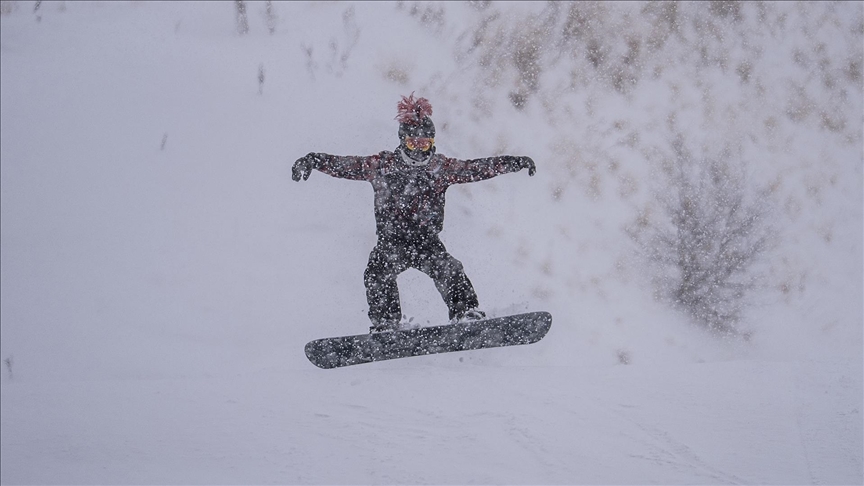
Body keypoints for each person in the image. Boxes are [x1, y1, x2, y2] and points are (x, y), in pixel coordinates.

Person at [292, 93, 535, 333]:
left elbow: (477, 168)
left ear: (432, 143)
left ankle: (466, 314)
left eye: (424, 144)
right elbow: (347, 165)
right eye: (412, 143)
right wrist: (313, 160)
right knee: (376, 272)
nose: (419, 150)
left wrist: (513, 163)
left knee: (449, 269)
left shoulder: (440, 168)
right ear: (402, 141)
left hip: (427, 242)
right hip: (391, 242)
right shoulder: (383, 166)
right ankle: (386, 324)